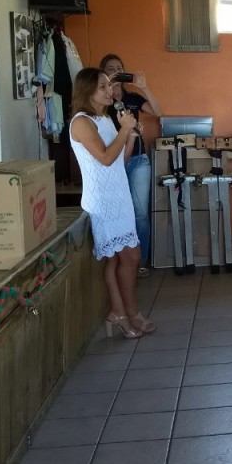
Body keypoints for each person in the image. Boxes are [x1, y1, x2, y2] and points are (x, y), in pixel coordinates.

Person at [68, 68, 155, 338]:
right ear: (87, 91)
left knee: (119, 260)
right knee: (129, 257)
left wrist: (129, 138)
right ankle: (129, 312)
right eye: (103, 87)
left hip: (119, 196)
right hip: (103, 201)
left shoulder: (105, 119)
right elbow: (105, 159)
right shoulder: (81, 123)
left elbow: (120, 160)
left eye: (110, 85)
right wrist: (125, 129)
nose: (111, 91)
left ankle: (120, 313)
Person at [100, 54, 162, 277]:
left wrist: (144, 87)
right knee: (118, 213)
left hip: (137, 160)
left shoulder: (132, 98)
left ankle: (140, 262)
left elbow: (158, 112)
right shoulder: (102, 102)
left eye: (119, 68)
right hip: (111, 164)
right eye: (110, 69)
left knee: (140, 213)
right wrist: (108, 86)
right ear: (103, 73)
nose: (116, 71)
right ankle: (119, 261)